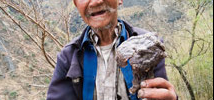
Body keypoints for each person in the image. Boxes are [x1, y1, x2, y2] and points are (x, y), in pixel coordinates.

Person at [47, 0, 177, 100]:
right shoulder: (68, 56)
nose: (96, 1)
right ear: (76, 4)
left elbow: (160, 92)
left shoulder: (148, 45)